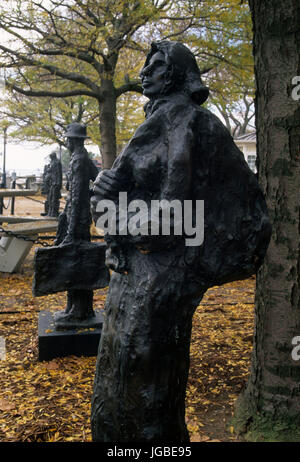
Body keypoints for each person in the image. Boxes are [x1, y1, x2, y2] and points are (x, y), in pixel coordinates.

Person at [90, 41, 271, 442]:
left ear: (174, 74)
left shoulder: (184, 121)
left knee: (144, 385)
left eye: (155, 66)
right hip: (134, 274)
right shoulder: (160, 122)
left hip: (159, 276)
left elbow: (170, 220)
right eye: (146, 66)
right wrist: (105, 194)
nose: (145, 73)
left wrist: (116, 219)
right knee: (124, 378)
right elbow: (124, 198)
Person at [47, 152, 62, 217]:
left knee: (54, 199)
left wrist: (59, 183)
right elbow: (51, 170)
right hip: (53, 183)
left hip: (56, 183)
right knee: (50, 198)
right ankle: (50, 212)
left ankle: (54, 213)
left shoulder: (57, 162)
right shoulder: (53, 162)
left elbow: (59, 173)